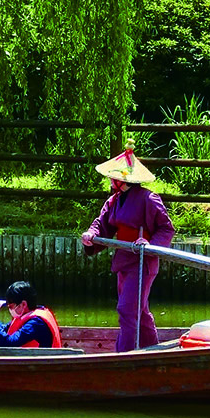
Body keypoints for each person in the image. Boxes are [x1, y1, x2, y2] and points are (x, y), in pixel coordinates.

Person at [81, 145, 175, 352]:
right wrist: (91, 234)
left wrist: (151, 246)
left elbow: (166, 228)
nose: (110, 181)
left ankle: (123, 356)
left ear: (122, 179)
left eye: (113, 177)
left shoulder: (148, 199)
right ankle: (152, 350)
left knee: (127, 310)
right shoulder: (114, 200)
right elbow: (101, 223)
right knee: (138, 311)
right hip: (124, 260)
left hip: (143, 261)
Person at [0, 281, 62, 348]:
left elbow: (9, 343)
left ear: (23, 304)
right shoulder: (22, 316)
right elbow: (3, 331)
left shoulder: (36, 323)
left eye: (11, 306)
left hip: (41, 366)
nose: (9, 309)